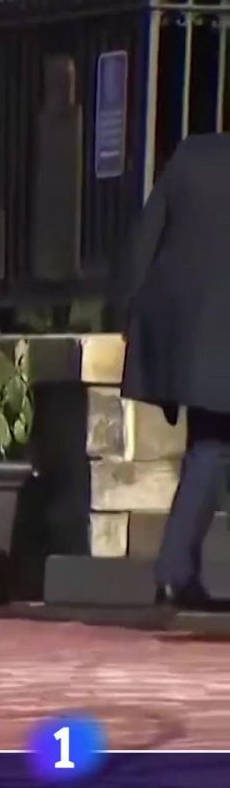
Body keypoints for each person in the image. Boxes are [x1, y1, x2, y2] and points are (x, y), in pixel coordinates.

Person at [117, 133, 230, 612]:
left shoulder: (191, 155)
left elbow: (147, 235)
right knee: (211, 448)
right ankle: (174, 572)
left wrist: (129, 315)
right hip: (220, 337)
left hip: (188, 333)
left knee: (209, 446)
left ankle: (176, 574)